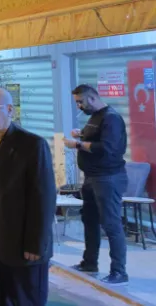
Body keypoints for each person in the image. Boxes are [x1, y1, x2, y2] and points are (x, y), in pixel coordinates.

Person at [0, 88, 55, 306]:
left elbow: (43, 198)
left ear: (10, 110)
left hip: (21, 247)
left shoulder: (32, 145)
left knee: (24, 300)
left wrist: (35, 244)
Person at [66, 84, 129, 285]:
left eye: (80, 102)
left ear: (92, 98)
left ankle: (119, 272)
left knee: (111, 223)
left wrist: (77, 144)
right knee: (90, 220)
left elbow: (107, 148)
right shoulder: (95, 117)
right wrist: (81, 135)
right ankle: (89, 262)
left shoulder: (111, 118)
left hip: (108, 178)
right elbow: (95, 138)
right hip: (92, 177)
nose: (78, 106)